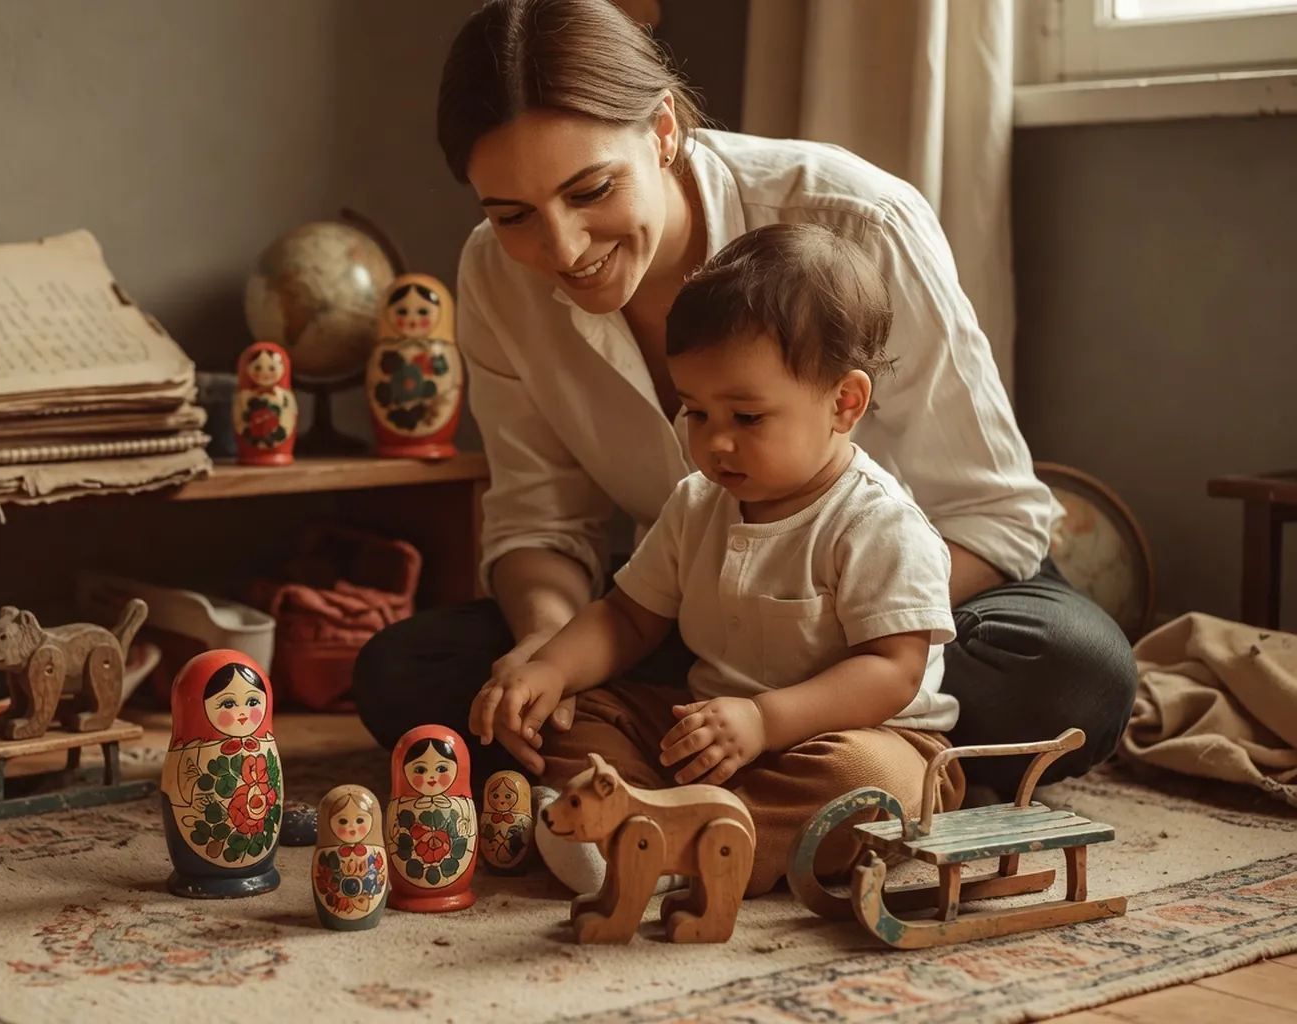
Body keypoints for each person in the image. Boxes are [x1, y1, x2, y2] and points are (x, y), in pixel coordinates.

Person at [352, 0, 1137, 807]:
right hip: (687, 617)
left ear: (661, 131)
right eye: (512, 214)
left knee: (1076, 671)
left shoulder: (859, 219)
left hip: (910, 614)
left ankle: (727, 765)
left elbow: (997, 520)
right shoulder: (494, 275)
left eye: (590, 189)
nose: (561, 248)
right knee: (405, 674)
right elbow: (542, 524)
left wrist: (816, 645)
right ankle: (772, 771)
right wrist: (547, 654)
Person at [469, 222, 965, 895]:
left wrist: (767, 720)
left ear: (844, 403)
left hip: (856, 735)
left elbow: (892, 671)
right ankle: (630, 816)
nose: (715, 443)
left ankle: (676, 849)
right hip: (711, 728)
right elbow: (626, 619)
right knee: (577, 713)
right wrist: (549, 669)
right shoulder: (697, 503)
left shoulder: (877, 524)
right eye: (696, 413)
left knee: (873, 788)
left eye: (747, 418)